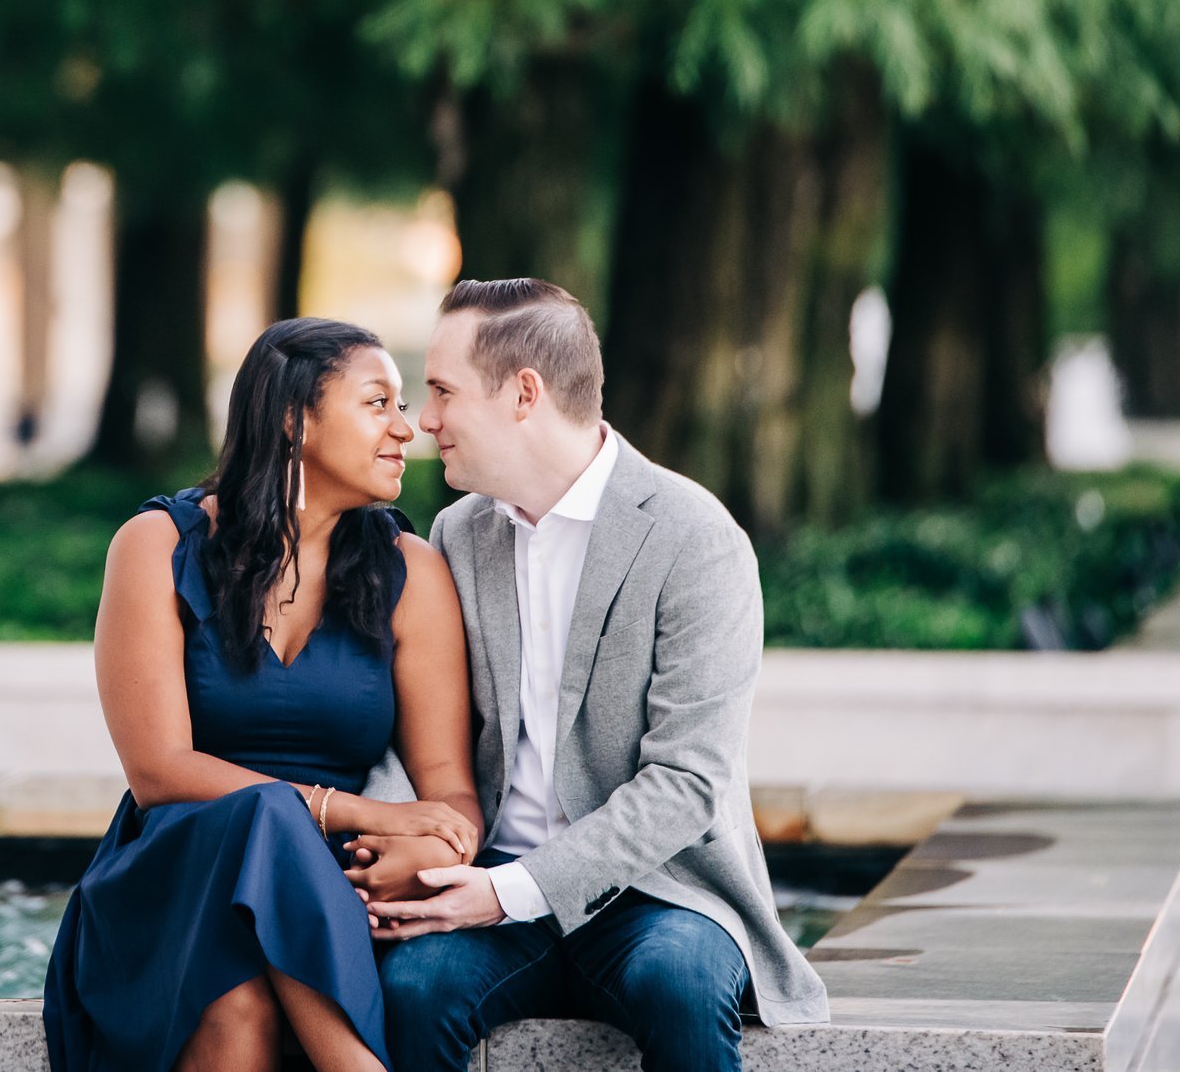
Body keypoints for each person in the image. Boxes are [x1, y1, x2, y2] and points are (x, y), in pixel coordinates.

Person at [354, 277, 829, 1072]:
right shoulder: (457, 533)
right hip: (492, 882)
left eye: (441, 391)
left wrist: (509, 891)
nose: (424, 421)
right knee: (411, 986)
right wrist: (418, 847)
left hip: (663, 891)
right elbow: (422, 728)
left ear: (523, 394)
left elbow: (686, 781)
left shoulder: (695, 539)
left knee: (677, 981)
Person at [44, 317, 485, 1072]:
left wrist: (437, 846)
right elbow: (158, 771)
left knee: (239, 1006)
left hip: (334, 887)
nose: (406, 430)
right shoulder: (156, 546)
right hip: (177, 877)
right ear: (293, 417)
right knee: (264, 823)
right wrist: (349, 808)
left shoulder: (411, 571)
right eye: (378, 403)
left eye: (402, 406)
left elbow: (450, 791)